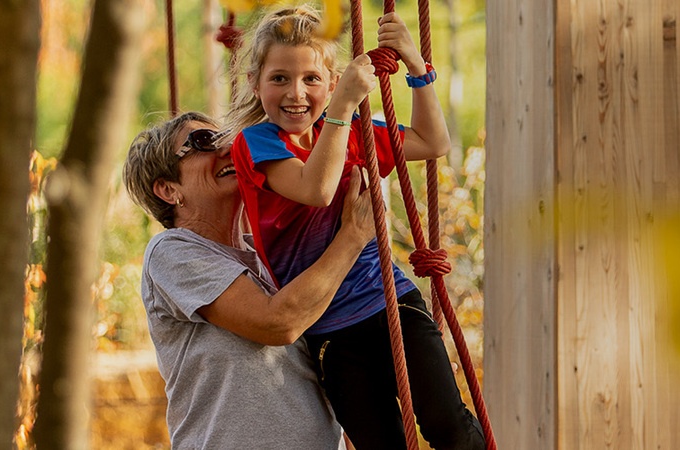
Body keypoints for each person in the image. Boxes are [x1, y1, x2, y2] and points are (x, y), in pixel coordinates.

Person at [224, 6, 485, 450]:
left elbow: (432, 141)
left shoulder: (352, 133)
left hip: (389, 302)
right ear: (255, 83)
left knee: (450, 426)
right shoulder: (256, 143)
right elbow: (316, 189)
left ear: (331, 80)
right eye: (279, 78)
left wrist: (417, 68)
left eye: (311, 79)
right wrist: (343, 104)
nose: (296, 93)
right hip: (329, 331)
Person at [122, 111, 370, 449]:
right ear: (168, 189)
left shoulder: (270, 255)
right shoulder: (172, 253)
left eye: (227, 137)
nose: (230, 147)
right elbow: (277, 323)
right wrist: (352, 236)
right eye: (203, 142)